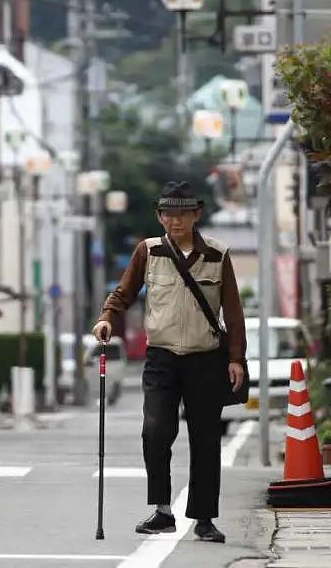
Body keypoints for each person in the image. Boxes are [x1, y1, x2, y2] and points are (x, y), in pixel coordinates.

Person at [91, 180, 245, 544]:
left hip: (205, 359)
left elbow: (234, 314)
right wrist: (106, 319)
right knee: (156, 430)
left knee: (206, 439)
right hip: (162, 358)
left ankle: (204, 518)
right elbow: (124, 292)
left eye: (182, 214)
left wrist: (236, 358)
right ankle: (162, 510)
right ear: (159, 217)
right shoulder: (149, 251)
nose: (174, 222)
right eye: (168, 214)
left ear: (197, 214)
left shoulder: (218, 255)